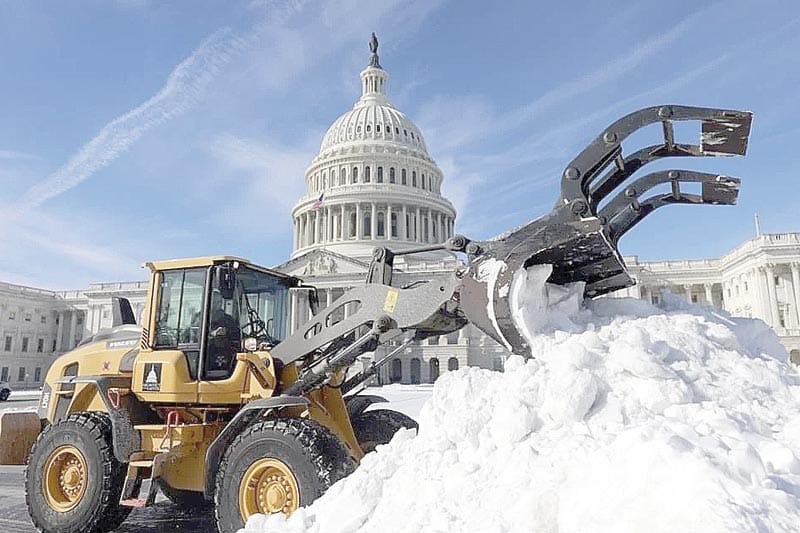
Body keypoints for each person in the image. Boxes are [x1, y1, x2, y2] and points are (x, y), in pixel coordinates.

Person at [207, 293, 241, 375]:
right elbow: (192, 334)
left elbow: (237, 334)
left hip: (224, 352)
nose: (217, 304)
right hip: (206, 352)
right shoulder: (200, 317)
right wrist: (212, 333)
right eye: (214, 302)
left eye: (219, 302)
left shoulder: (227, 319)